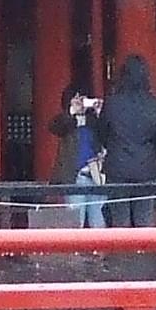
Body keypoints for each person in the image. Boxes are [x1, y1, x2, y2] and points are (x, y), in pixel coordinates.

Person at [99, 53, 156, 227]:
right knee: (144, 220)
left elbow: (101, 133)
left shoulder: (112, 103)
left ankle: (121, 246)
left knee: (120, 221)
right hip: (146, 167)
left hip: (118, 166)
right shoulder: (154, 105)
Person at [48, 81, 109, 228]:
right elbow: (54, 127)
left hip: (96, 176)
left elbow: (107, 136)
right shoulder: (66, 121)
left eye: (83, 98)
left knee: (98, 223)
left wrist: (100, 113)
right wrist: (72, 111)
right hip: (75, 177)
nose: (81, 102)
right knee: (75, 223)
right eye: (76, 98)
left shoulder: (93, 121)